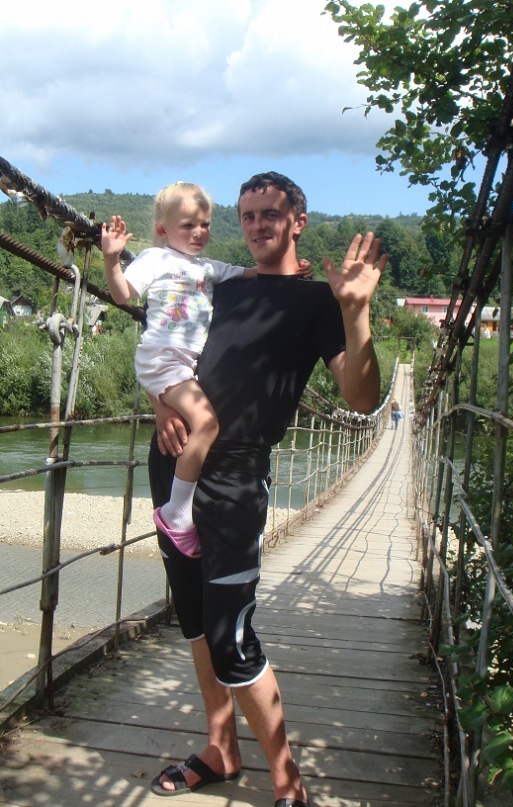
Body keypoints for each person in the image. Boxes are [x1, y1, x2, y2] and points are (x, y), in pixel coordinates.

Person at [147, 171, 387, 805]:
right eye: (248, 214)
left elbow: (362, 399)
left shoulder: (317, 303)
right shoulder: (218, 284)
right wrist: (158, 404)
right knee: (195, 620)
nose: (257, 225)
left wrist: (355, 313)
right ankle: (220, 748)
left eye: (271, 214)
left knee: (232, 637)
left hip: (234, 480)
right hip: (172, 463)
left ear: (297, 222)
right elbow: (164, 346)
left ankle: (288, 782)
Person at [101, 182, 255, 558]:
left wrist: (289, 275)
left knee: (201, 425)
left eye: (205, 224)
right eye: (188, 225)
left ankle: (179, 508)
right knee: (207, 424)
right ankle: (177, 513)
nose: (199, 232)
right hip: (162, 359)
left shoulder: (209, 268)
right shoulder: (155, 259)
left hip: (184, 364)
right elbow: (122, 294)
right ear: (163, 230)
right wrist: (111, 260)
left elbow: (250, 275)